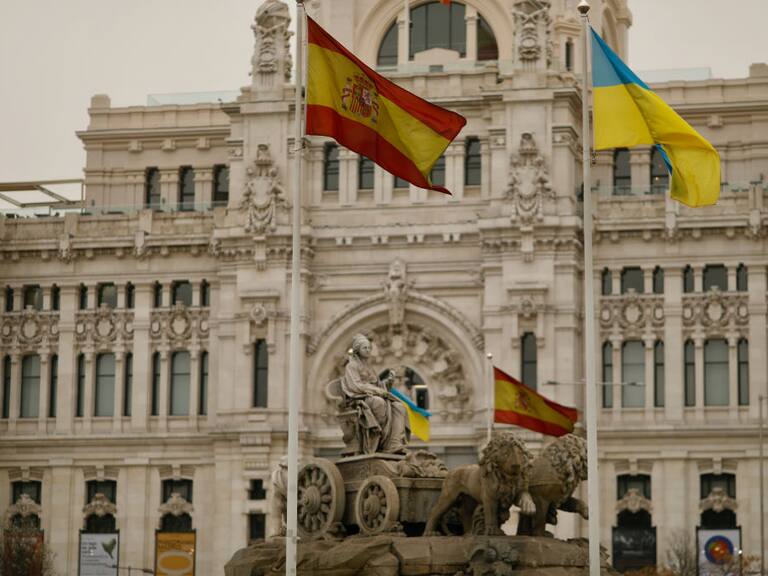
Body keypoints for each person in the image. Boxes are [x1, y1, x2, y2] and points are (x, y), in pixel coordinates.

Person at [341, 334, 408, 454]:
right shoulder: (351, 366)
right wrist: (377, 391)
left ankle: (393, 443)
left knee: (400, 407)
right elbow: (356, 386)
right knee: (379, 403)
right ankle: (379, 441)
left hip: (374, 396)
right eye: (364, 348)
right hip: (361, 398)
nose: (367, 350)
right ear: (357, 350)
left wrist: (389, 381)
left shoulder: (370, 368)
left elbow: (379, 385)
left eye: (369, 348)